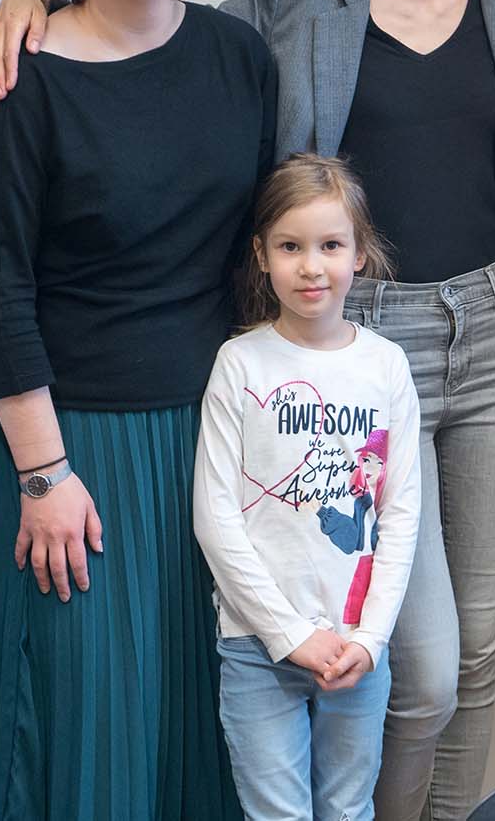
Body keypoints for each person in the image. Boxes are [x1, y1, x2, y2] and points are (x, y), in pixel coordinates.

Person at [0, 0, 495, 820]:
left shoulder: (487, 0)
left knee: (320, 683)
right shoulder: (258, 7)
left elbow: (263, 199)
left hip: (331, 383)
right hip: (163, 410)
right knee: (129, 703)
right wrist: (30, 0)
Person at [0, 0, 274, 821]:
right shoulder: (22, 76)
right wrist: (44, 476)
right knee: (85, 717)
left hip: (215, 434)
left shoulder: (238, 56)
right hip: (73, 445)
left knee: (205, 712)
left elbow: (259, 250)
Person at [193, 154, 421, 821]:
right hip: (259, 646)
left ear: (360, 254)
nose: (312, 266)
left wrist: (371, 635)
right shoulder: (240, 364)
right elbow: (215, 515)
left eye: (330, 245)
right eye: (291, 247)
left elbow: (399, 512)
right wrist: (287, 632)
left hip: (357, 646)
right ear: (262, 255)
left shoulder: (386, 366)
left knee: (349, 811)